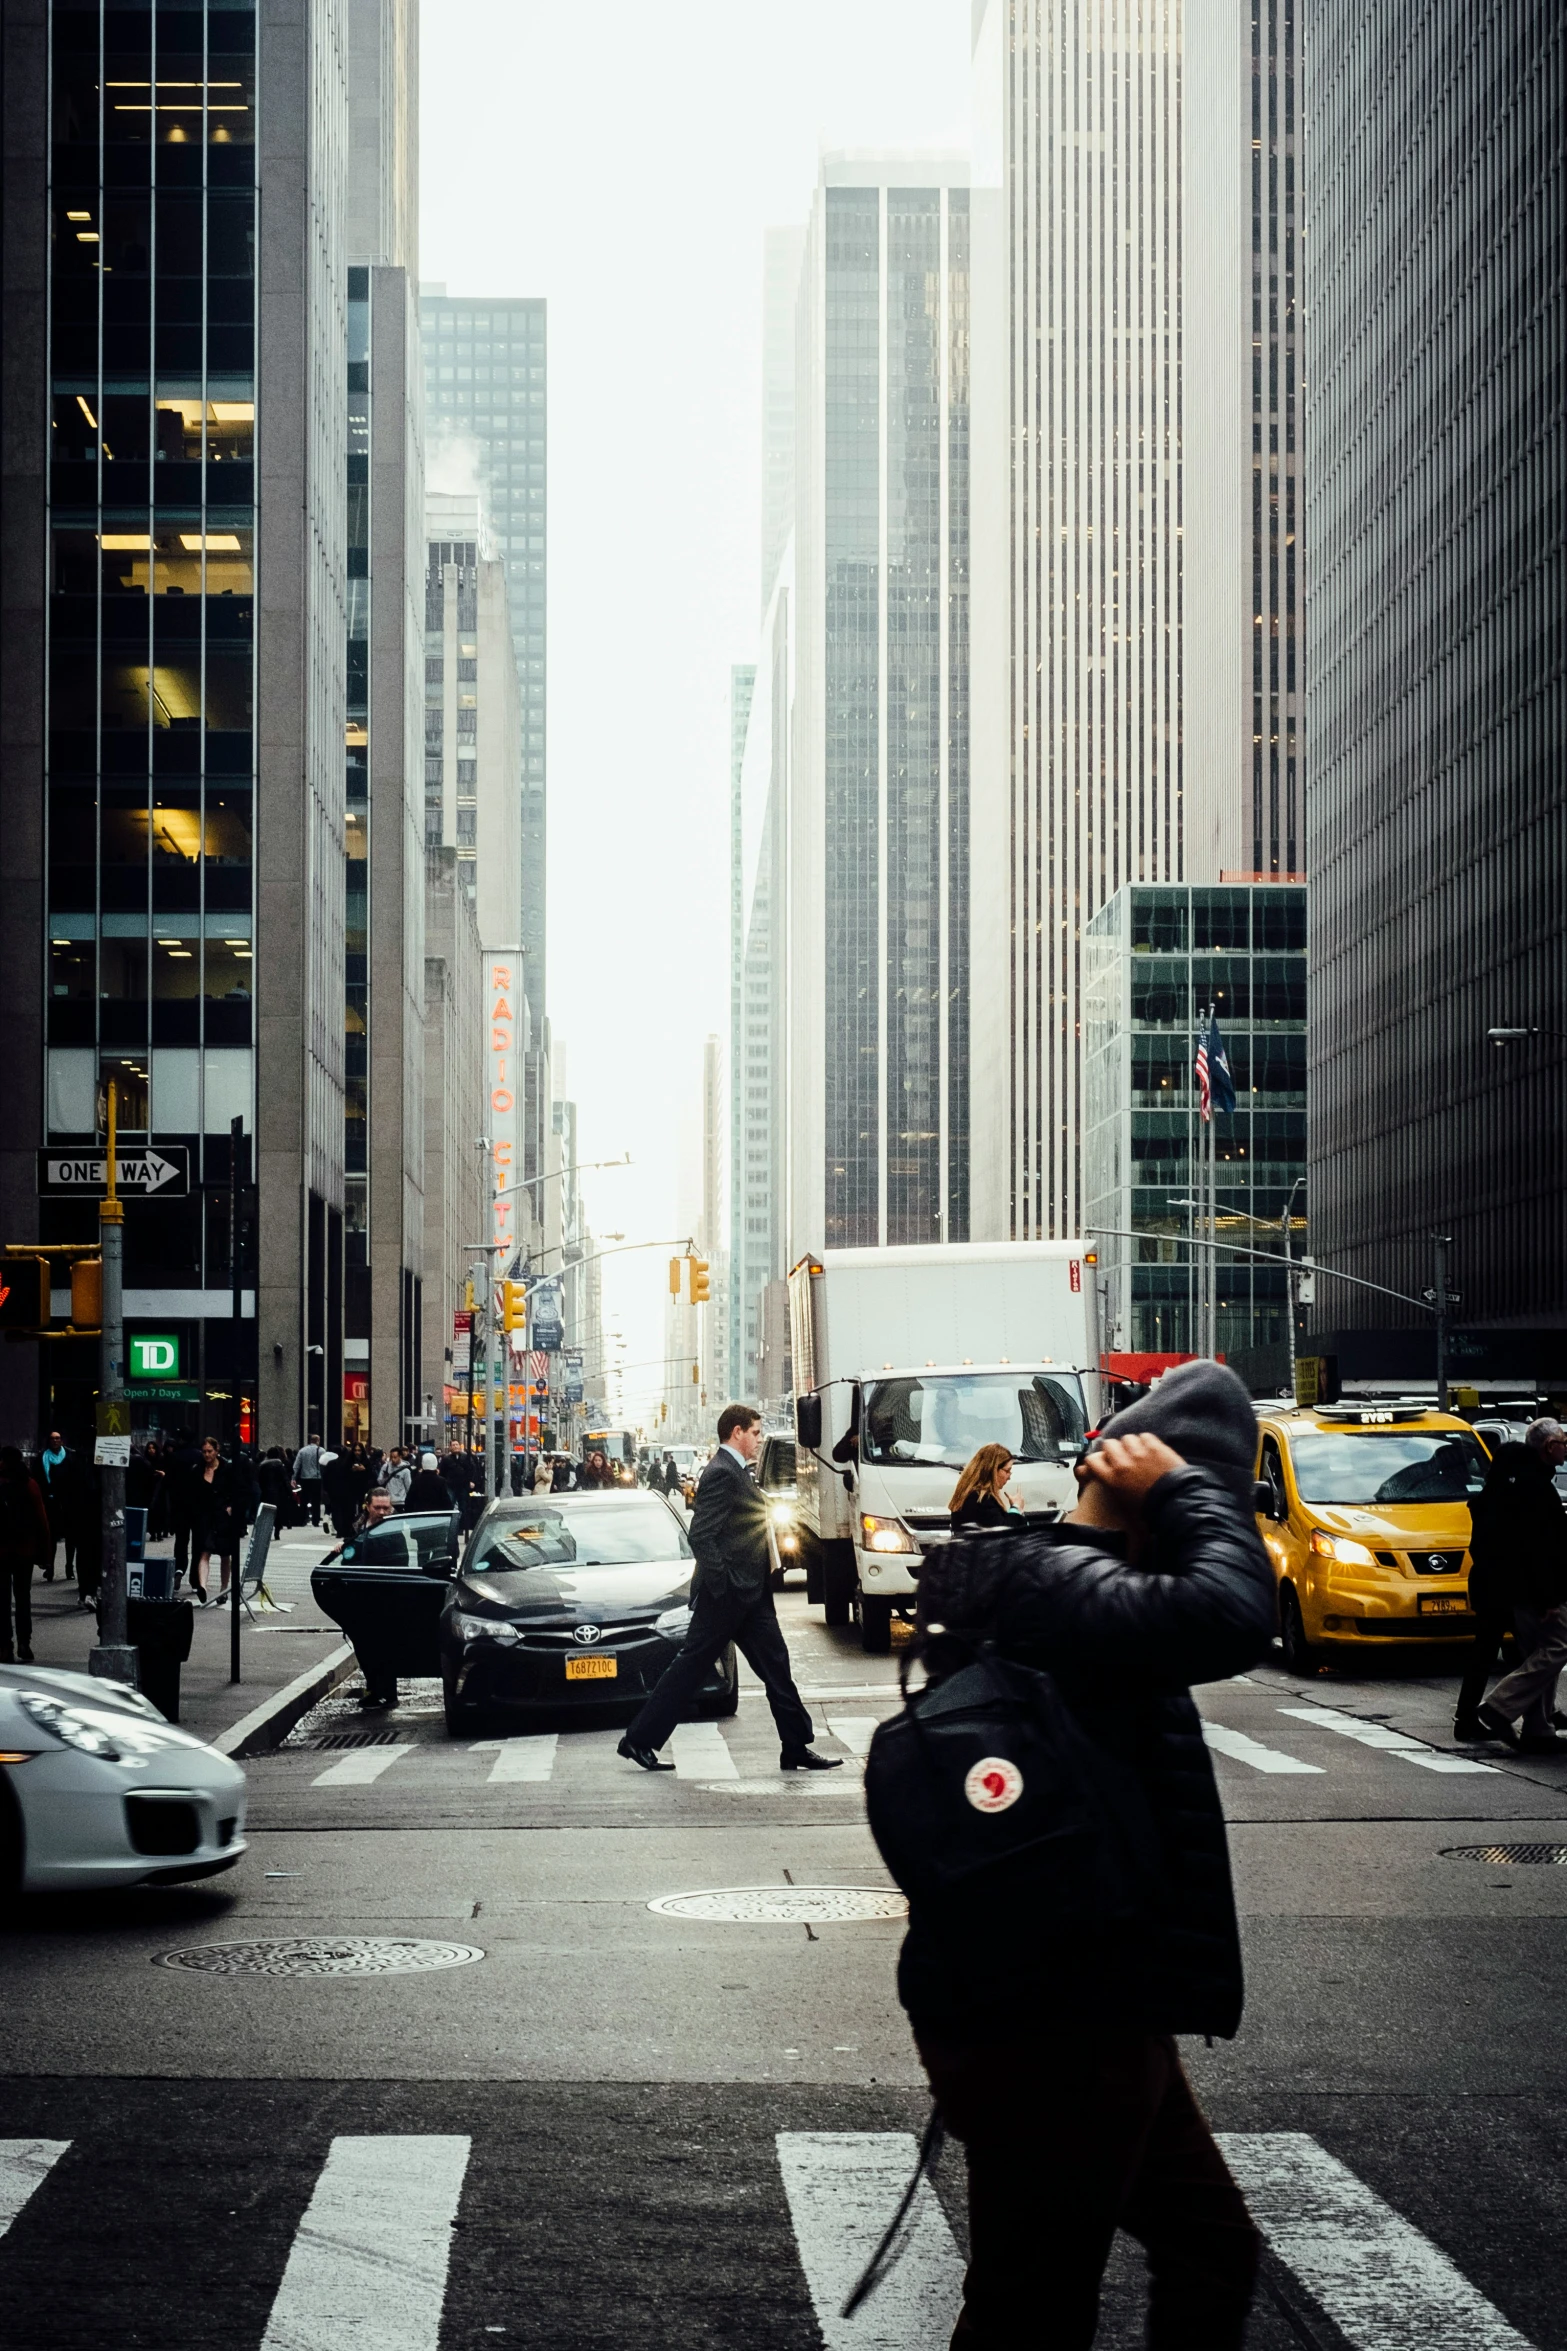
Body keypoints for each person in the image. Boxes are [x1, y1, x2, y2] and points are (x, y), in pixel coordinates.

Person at [890, 1360, 1276, 2350]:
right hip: (1057, 2027)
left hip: (1093, 2003)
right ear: (1162, 1487)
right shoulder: (1072, 1589)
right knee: (1033, 2301)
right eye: (1208, 1500)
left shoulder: (1065, 1585)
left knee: (1206, 2250)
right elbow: (1238, 1613)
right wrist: (1187, 1494)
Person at [618, 1404, 842, 1774]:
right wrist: (725, 1584)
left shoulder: (738, 1472)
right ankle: (638, 1740)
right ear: (736, 1432)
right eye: (755, 1433)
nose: (759, 1439)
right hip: (726, 1596)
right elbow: (701, 1536)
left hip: (750, 1597)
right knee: (690, 1668)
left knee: (777, 1667)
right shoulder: (721, 1473)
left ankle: (796, 1747)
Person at [1469, 1418, 1567, 1753]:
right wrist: (1549, 1596)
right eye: (1562, 1441)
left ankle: (1539, 1728)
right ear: (1548, 1447)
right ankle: (1498, 1706)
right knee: (1556, 1649)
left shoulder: (1513, 1487)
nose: (1566, 1447)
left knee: (1536, 1651)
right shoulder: (1535, 1488)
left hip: (1513, 1587)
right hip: (1532, 1589)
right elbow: (1539, 1548)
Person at [0, 1446, 52, 1662]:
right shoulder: (30, 1484)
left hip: (1, 1552)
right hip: (25, 1551)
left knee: (1, 1600)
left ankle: (4, 1645)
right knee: (23, 1597)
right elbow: (42, 1521)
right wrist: (46, 1553)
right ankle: (24, 1641)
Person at [187, 1437, 239, 1605]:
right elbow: (192, 1494)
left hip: (222, 1516)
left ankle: (224, 1589)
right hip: (204, 1517)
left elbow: (237, 1490)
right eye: (204, 1451)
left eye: (210, 1451)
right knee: (204, 1551)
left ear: (217, 1451)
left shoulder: (227, 1469)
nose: (207, 1455)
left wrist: (231, 1506)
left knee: (225, 1554)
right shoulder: (197, 1470)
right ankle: (203, 1586)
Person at [949, 1442, 1024, 1534]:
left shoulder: (971, 1495)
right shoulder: (982, 1500)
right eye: (1007, 1471)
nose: (1009, 1477)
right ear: (993, 1470)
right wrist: (1016, 1508)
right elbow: (1005, 1532)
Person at [37, 1430, 69, 1582]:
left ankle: (69, 1567)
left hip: (67, 1501)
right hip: (49, 1501)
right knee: (51, 1537)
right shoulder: (42, 1458)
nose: (55, 1441)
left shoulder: (69, 1456)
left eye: (58, 1438)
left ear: (61, 1440)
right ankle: (50, 1567)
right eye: (52, 1439)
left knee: (70, 1537)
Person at [293, 1433, 325, 1527]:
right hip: (317, 1478)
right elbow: (324, 1464)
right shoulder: (321, 1450)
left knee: (304, 1499)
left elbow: (296, 1465)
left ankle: (302, 1519)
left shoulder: (302, 1451)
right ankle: (316, 1520)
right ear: (318, 1441)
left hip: (305, 1478)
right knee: (316, 1500)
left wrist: (293, 1477)